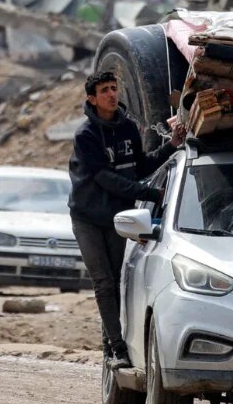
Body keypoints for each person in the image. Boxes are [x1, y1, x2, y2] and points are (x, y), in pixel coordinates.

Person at [68, 70, 185, 370]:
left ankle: (111, 340)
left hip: (119, 217)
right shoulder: (86, 136)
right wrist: (148, 193)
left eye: (114, 88)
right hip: (88, 218)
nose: (111, 94)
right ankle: (117, 349)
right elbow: (105, 178)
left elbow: (141, 165)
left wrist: (171, 145)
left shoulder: (129, 128)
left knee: (119, 280)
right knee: (104, 282)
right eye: (104, 90)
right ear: (92, 99)